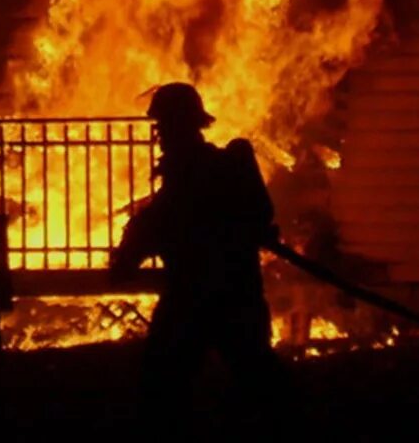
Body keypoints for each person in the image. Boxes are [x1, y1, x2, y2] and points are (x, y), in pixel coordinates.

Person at [109, 82, 292, 425]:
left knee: (161, 388)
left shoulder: (185, 184)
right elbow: (258, 217)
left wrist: (126, 256)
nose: (159, 135)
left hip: (191, 302)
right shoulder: (226, 168)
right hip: (238, 296)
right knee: (259, 379)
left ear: (179, 125)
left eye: (162, 126)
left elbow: (155, 228)